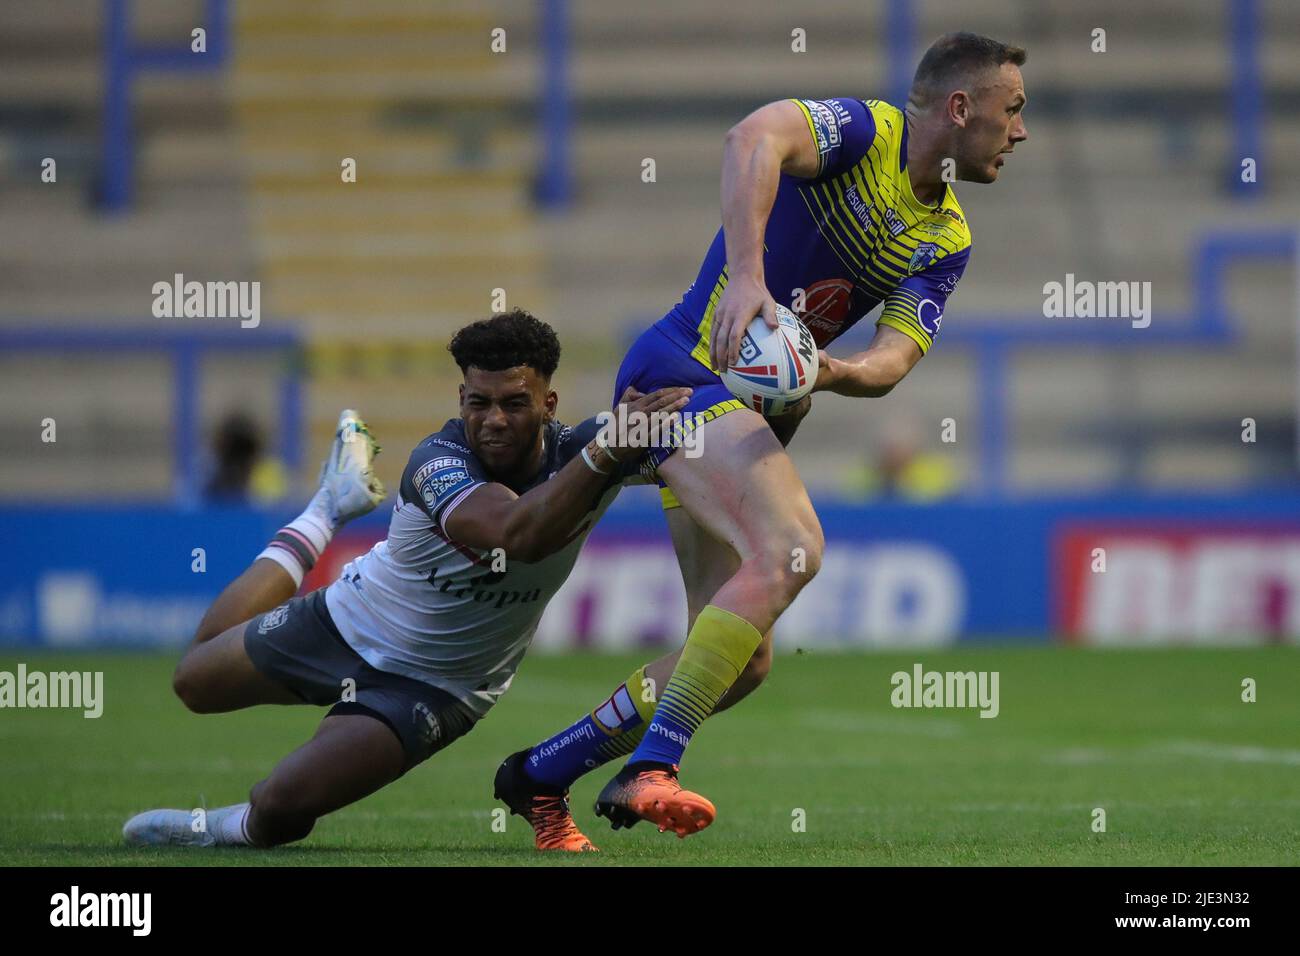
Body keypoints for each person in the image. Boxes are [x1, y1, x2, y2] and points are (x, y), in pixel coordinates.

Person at [499, 32, 1029, 841]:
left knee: (740, 663)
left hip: (746, 412)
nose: (1021, 131)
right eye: (1014, 109)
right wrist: (747, 274)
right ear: (962, 108)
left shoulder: (946, 236)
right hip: (679, 371)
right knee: (793, 549)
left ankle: (540, 774)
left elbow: (893, 358)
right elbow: (753, 136)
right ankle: (651, 768)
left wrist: (831, 372)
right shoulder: (865, 133)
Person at [123, 310, 689, 852]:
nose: (493, 420)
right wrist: (607, 453)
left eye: (515, 404)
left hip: (438, 688)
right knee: (192, 682)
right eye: (479, 403)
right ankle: (327, 509)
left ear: (549, 403)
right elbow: (516, 533)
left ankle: (222, 828)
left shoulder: (588, 448)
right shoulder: (436, 461)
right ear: (460, 400)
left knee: (278, 810)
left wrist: (744, 405)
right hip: (345, 621)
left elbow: (699, 443)